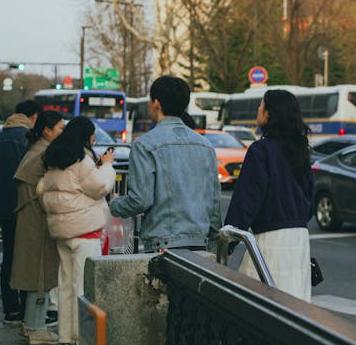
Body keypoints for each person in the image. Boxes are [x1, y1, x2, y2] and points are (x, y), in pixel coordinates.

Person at [110, 76, 220, 251]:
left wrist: (114, 205)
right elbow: (214, 202)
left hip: (162, 246)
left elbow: (140, 201)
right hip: (200, 244)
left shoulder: (144, 145)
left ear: (156, 104)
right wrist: (214, 243)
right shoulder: (205, 145)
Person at [224, 89, 315, 300]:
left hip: (270, 238)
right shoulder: (301, 150)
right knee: (295, 302)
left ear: (269, 113)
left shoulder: (260, 150)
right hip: (300, 238)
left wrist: (229, 242)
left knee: (260, 301)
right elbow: (310, 196)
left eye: (261, 105)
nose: (258, 109)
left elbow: (246, 201)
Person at [40, 117, 116, 345]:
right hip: (85, 230)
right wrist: (107, 166)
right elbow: (100, 187)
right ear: (86, 135)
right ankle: (82, 341)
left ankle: (66, 339)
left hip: (61, 231)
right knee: (84, 287)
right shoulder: (81, 159)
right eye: (92, 135)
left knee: (65, 285)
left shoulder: (54, 157)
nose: (94, 139)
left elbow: (53, 188)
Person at [11, 110, 65, 345]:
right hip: (38, 220)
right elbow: (45, 190)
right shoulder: (45, 154)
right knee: (41, 272)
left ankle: (30, 323)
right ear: (47, 130)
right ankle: (36, 327)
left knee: (33, 271)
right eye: (60, 128)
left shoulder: (34, 150)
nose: (63, 132)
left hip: (28, 217)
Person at [0, 99, 40, 324]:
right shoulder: (27, 139)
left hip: (3, 207)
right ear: (33, 117)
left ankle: (10, 308)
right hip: (24, 206)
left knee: (8, 256)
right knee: (26, 257)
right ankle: (26, 306)